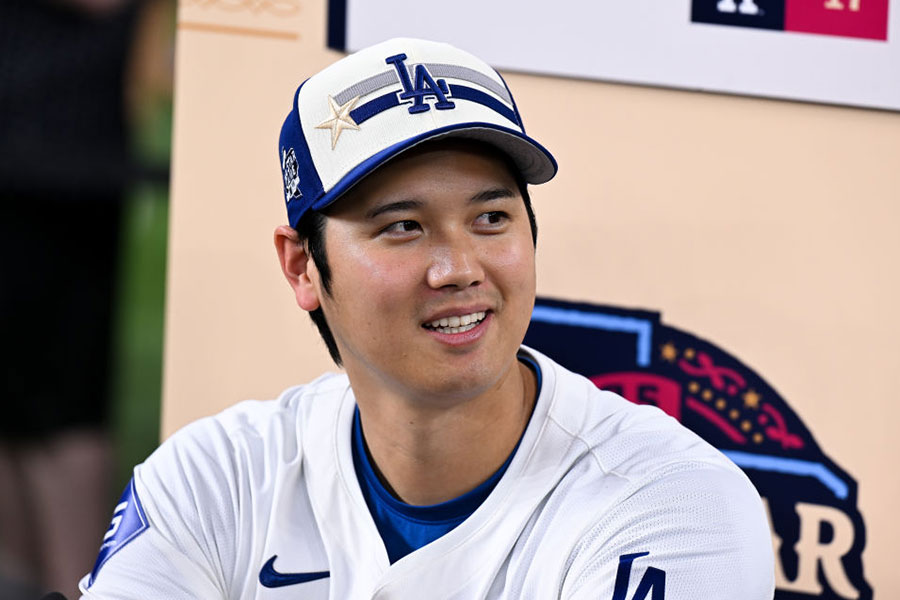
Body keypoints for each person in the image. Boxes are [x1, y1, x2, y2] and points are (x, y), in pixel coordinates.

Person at [80, 38, 775, 599]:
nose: (460, 267)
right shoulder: (217, 477)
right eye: (404, 226)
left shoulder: (675, 505)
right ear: (302, 267)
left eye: (491, 218)